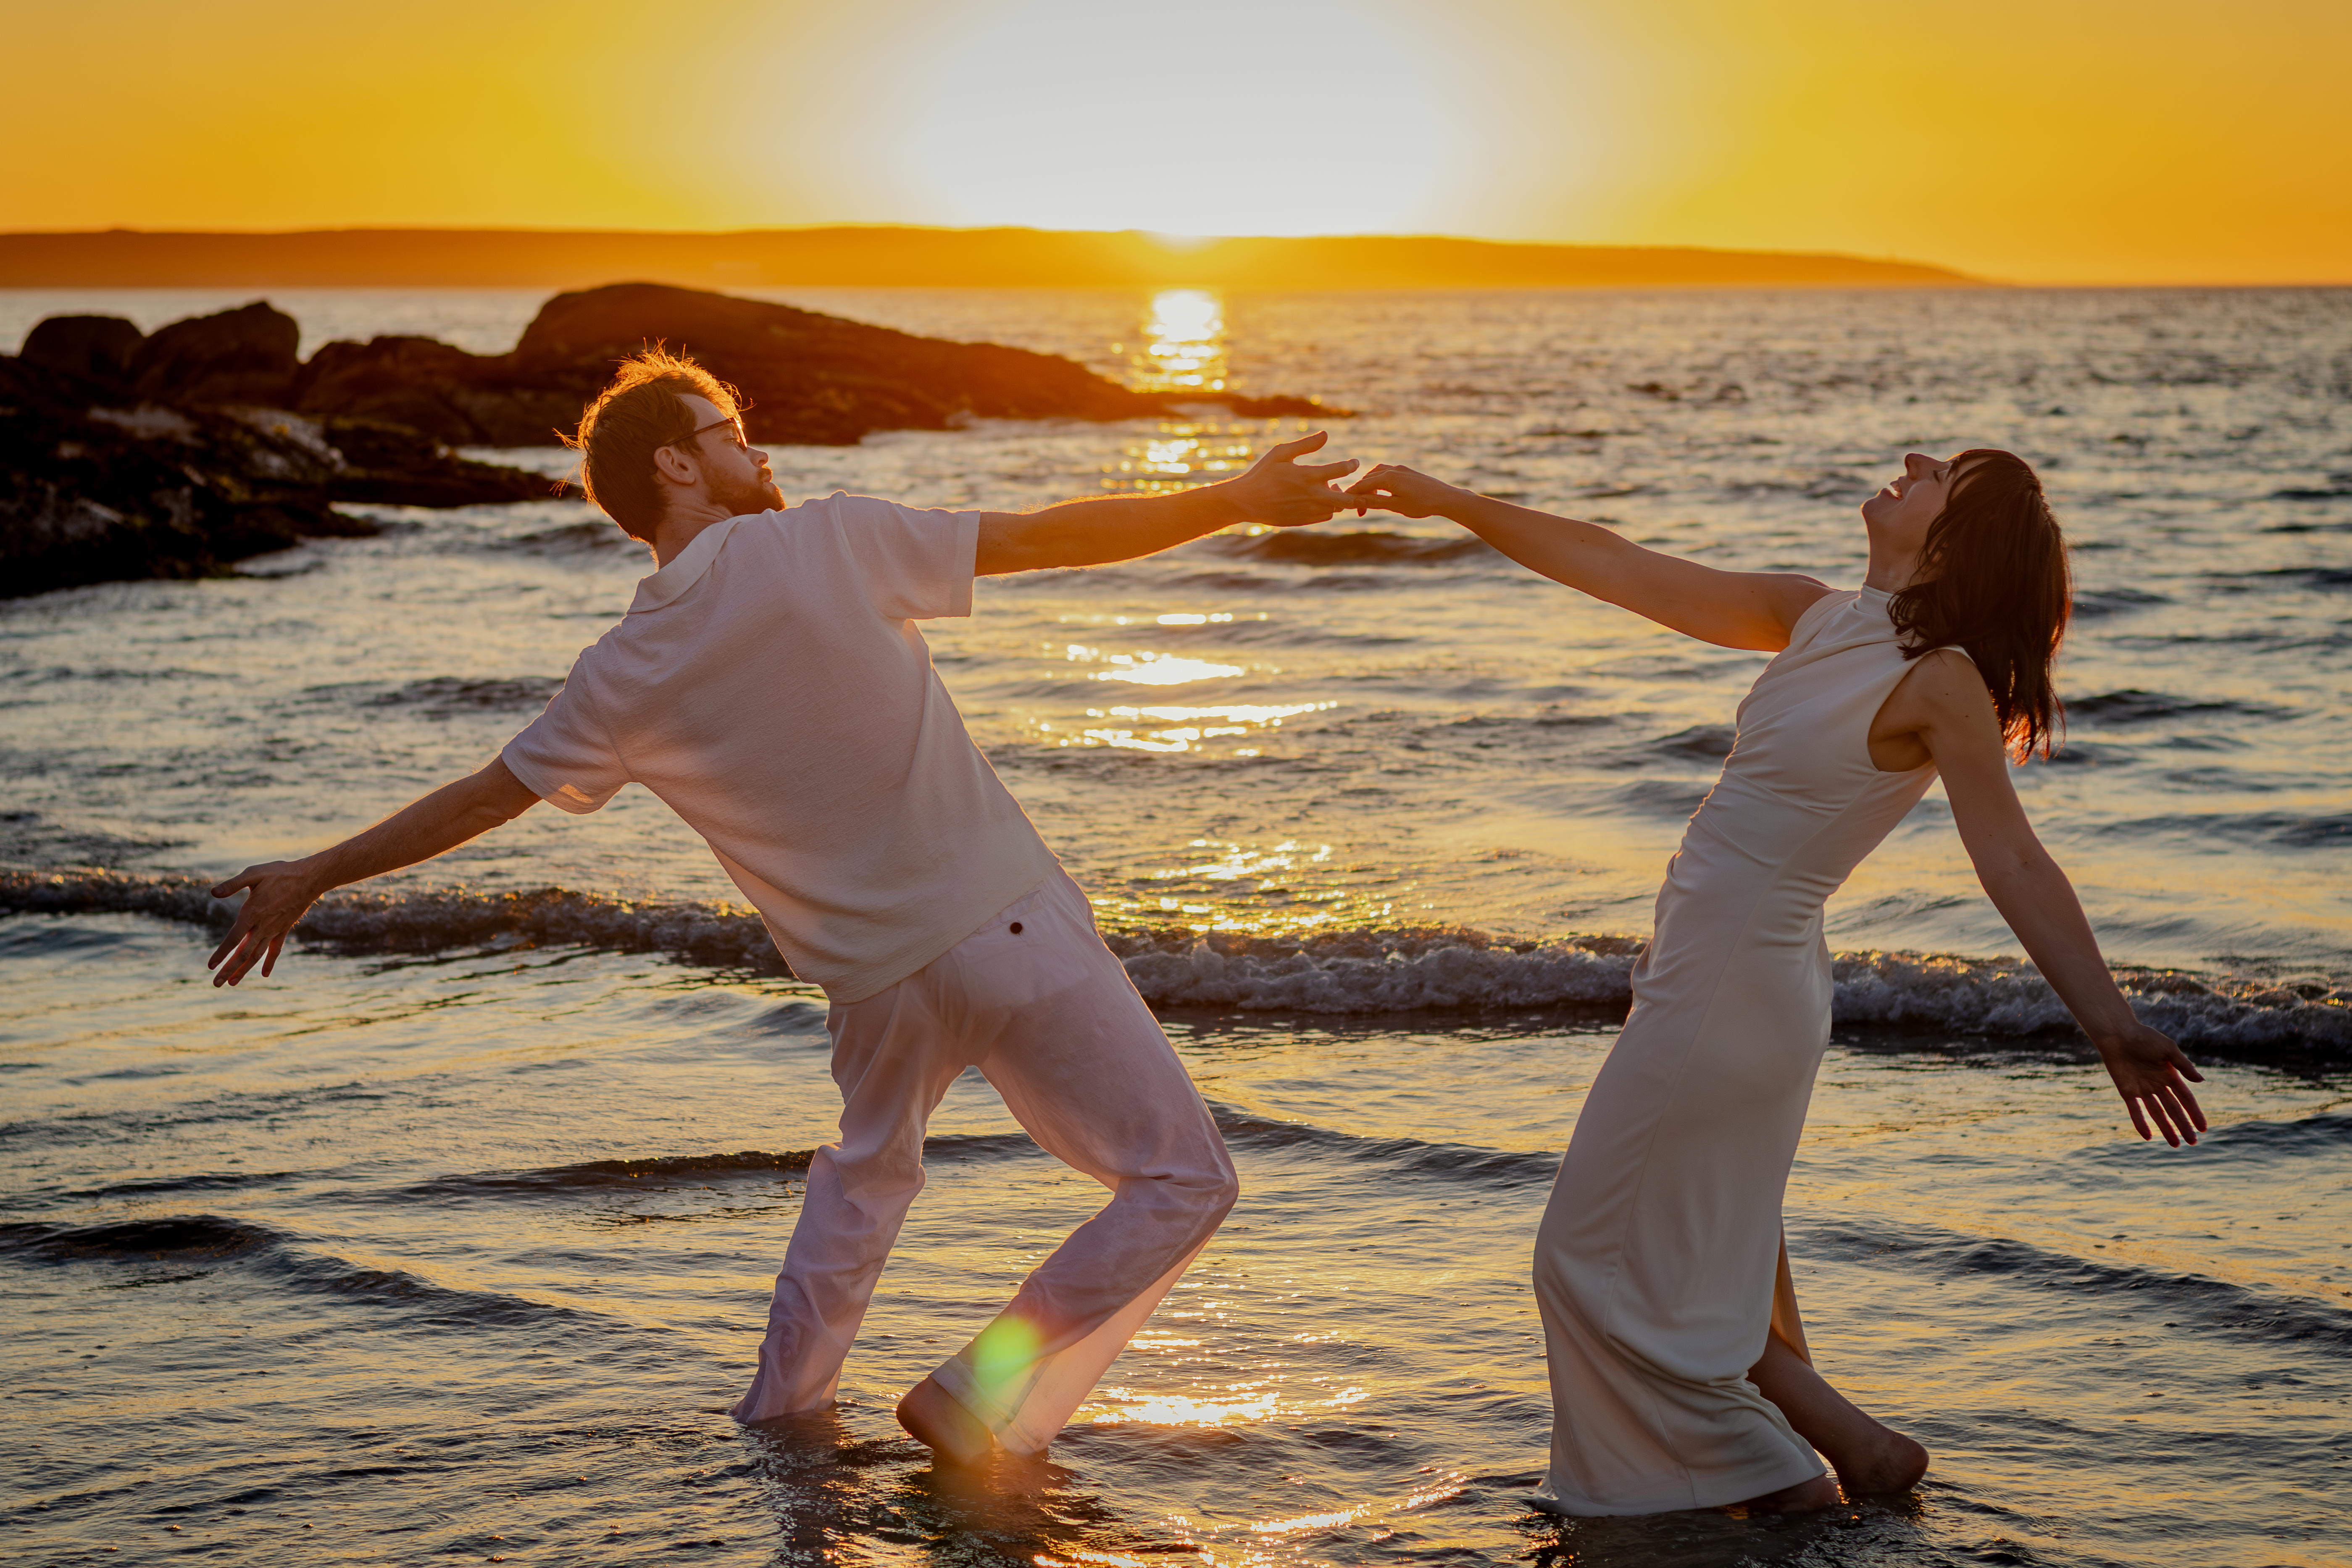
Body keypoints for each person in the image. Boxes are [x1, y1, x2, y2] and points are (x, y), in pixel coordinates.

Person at [204, 347, 1360, 1465]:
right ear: (675, 465)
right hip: (1005, 922)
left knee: (861, 1185)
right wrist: (1236, 497)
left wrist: (314, 872)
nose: (758, 454)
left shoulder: (621, 669)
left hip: (872, 990)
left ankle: (780, 1417)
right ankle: (980, 1389)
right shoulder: (829, 539)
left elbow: (482, 800)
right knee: (1182, 1178)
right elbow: (1047, 535)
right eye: (732, 436)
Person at [1340, 450, 2207, 1516]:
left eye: (1946, 473)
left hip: (1735, 999)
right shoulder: (1817, 617)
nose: (1915, 462)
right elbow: (1614, 564)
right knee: (1717, 1271)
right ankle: (1864, 1454)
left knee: (1585, 1265)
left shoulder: (1939, 681)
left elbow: (2015, 860)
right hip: (1711, 983)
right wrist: (1446, 501)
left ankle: (1768, 1487)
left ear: (1955, 540)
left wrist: (2110, 1024)